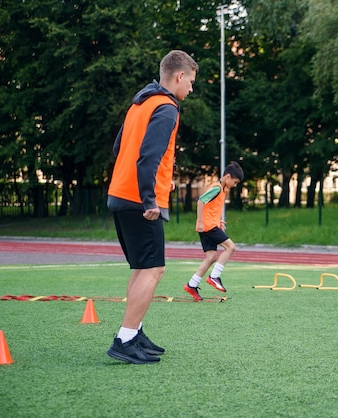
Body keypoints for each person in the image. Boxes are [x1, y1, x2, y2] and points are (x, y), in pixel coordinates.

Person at [106, 50, 198, 364]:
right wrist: (149, 199)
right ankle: (126, 337)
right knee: (154, 269)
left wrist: (156, 183)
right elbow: (148, 157)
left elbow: (119, 148)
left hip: (120, 194)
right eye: (191, 82)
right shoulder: (167, 107)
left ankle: (135, 331)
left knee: (141, 268)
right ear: (179, 76)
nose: (191, 90)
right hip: (140, 200)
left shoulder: (140, 103)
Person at [184, 161, 244, 301]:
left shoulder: (222, 189)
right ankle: (214, 276)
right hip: (208, 226)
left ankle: (191, 285)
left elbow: (211, 208)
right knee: (230, 247)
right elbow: (200, 201)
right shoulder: (217, 188)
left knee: (211, 257)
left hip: (210, 225)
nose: (235, 185)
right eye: (235, 182)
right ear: (228, 177)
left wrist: (218, 221)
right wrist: (200, 221)